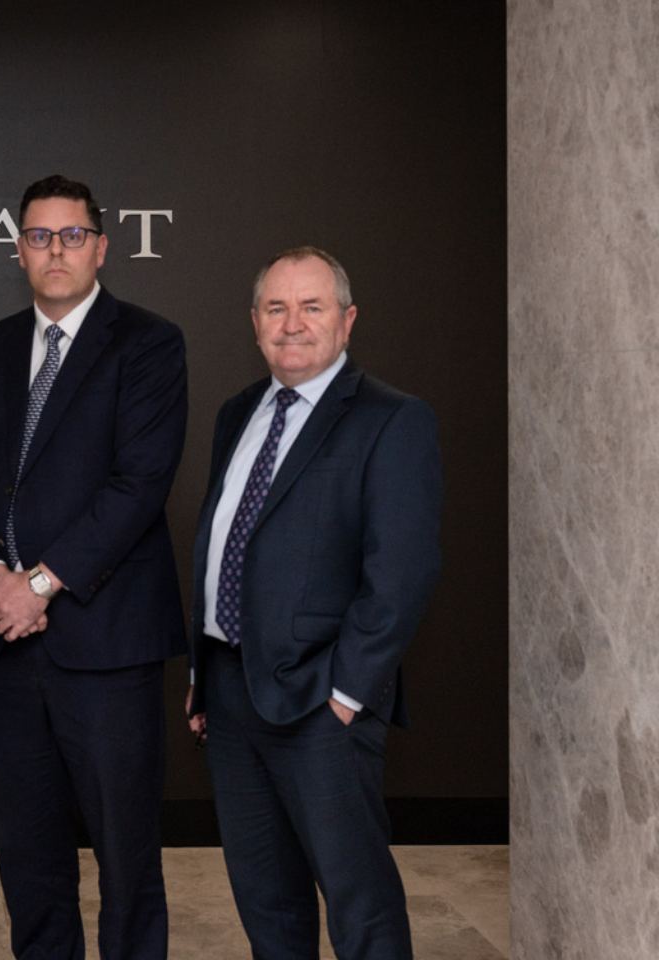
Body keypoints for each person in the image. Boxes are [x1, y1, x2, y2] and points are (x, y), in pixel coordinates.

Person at [0, 174, 188, 959]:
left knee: (126, 855)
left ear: (101, 247)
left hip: (106, 645)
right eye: (40, 236)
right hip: (7, 648)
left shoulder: (149, 343)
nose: (56, 250)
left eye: (72, 235)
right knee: (28, 856)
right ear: (19, 250)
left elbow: (138, 486)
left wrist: (40, 585)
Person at [187, 247, 442, 959]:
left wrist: (346, 694)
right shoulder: (238, 412)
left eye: (311, 306)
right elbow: (222, 544)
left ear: (347, 320)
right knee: (267, 903)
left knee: (361, 909)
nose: (292, 323)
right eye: (276, 308)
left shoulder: (392, 419)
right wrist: (203, 672)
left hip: (321, 703)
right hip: (231, 695)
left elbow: (402, 573)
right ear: (255, 321)